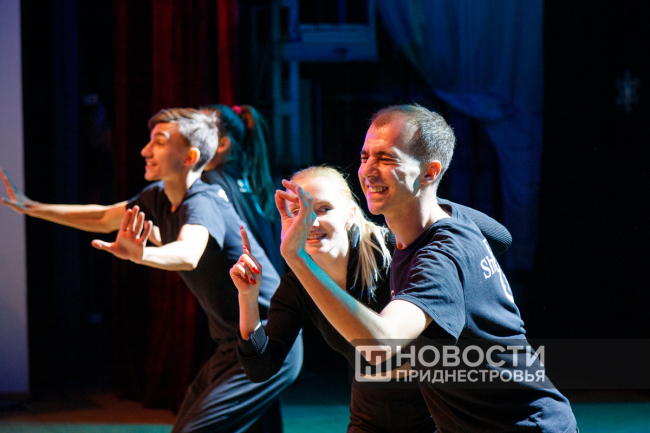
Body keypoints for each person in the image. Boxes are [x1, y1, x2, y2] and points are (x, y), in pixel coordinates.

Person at [272, 105, 577, 432]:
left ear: (430, 173)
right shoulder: (437, 227)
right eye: (365, 157)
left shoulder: (439, 257)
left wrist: (298, 259)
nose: (368, 170)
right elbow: (501, 236)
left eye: (386, 159)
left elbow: (381, 345)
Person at [0, 108, 302, 433]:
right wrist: (32, 207)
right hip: (233, 345)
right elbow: (102, 217)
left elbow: (188, 252)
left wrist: (141, 255)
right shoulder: (159, 197)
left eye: (159, 142)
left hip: (270, 339)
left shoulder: (202, 201)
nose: (145, 151)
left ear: (190, 157)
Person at [230, 165, 513, 432]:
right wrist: (247, 298)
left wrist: (423, 202)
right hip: (371, 411)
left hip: (434, 408)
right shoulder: (298, 284)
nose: (311, 222)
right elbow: (261, 368)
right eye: (298, 211)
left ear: (350, 214)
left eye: (324, 209)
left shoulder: (392, 250)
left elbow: (500, 238)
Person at [199, 104, 283, 273]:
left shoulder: (210, 182)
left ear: (223, 144)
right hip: (266, 284)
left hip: (248, 285)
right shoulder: (246, 180)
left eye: (200, 130)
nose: (188, 134)